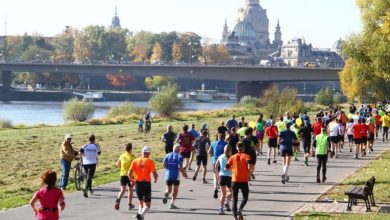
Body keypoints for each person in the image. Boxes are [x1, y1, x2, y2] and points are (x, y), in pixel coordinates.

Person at [129, 146, 158, 220]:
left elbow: (129, 173)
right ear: (149, 153)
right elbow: (154, 173)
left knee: (140, 201)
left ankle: (140, 215)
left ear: (142, 152)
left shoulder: (135, 161)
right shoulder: (150, 161)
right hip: (146, 183)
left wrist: (132, 180)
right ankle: (141, 215)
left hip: (137, 183)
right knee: (147, 205)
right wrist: (156, 178)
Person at [226, 142, 253, 220]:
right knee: (245, 197)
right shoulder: (246, 156)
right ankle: (240, 209)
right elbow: (249, 165)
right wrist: (249, 172)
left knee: (235, 199)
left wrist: (233, 169)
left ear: (236, 148)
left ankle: (235, 218)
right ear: (243, 148)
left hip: (234, 180)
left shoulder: (232, 157)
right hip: (244, 180)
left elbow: (226, 167)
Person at [162, 144, 187, 209]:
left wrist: (169, 168)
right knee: (175, 190)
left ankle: (166, 193)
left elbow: (163, 165)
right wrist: (184, 174)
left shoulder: (167, 155)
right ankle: (172, 204)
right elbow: (180, 167)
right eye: (180, 148)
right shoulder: (180, 156)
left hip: (168, 175)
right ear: (178, 149)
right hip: (176, 176)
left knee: (168, 189)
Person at [114, 143, 136, 211]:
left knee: (122, 190)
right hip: (130, 175)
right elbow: (135, 167)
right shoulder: (133, 157)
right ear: (131, 148)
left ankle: (118, 199)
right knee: (130, 190)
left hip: (123, 175)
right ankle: (129, 204)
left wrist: (122, 167)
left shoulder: (122, 156)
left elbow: (118, 164)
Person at [214, 145, 232, 215]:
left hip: (222, 176)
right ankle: (227, 202)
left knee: (223, 194)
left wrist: (217, 174)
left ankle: (221, 209)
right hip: (230, 177)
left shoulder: (220, 156)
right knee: (231, 192)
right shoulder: (231, 158)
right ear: (230, 150)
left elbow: (216, 167)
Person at [209, 133, 228, 199]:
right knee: (221, 174)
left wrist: (213, 155)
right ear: (223, 137)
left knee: (215, 175)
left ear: (218, 137)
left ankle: (215, 187)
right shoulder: (225, 144)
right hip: (222, 161)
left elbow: (209, 152)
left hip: (215, 160)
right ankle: (220, 186)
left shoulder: (213, 143)